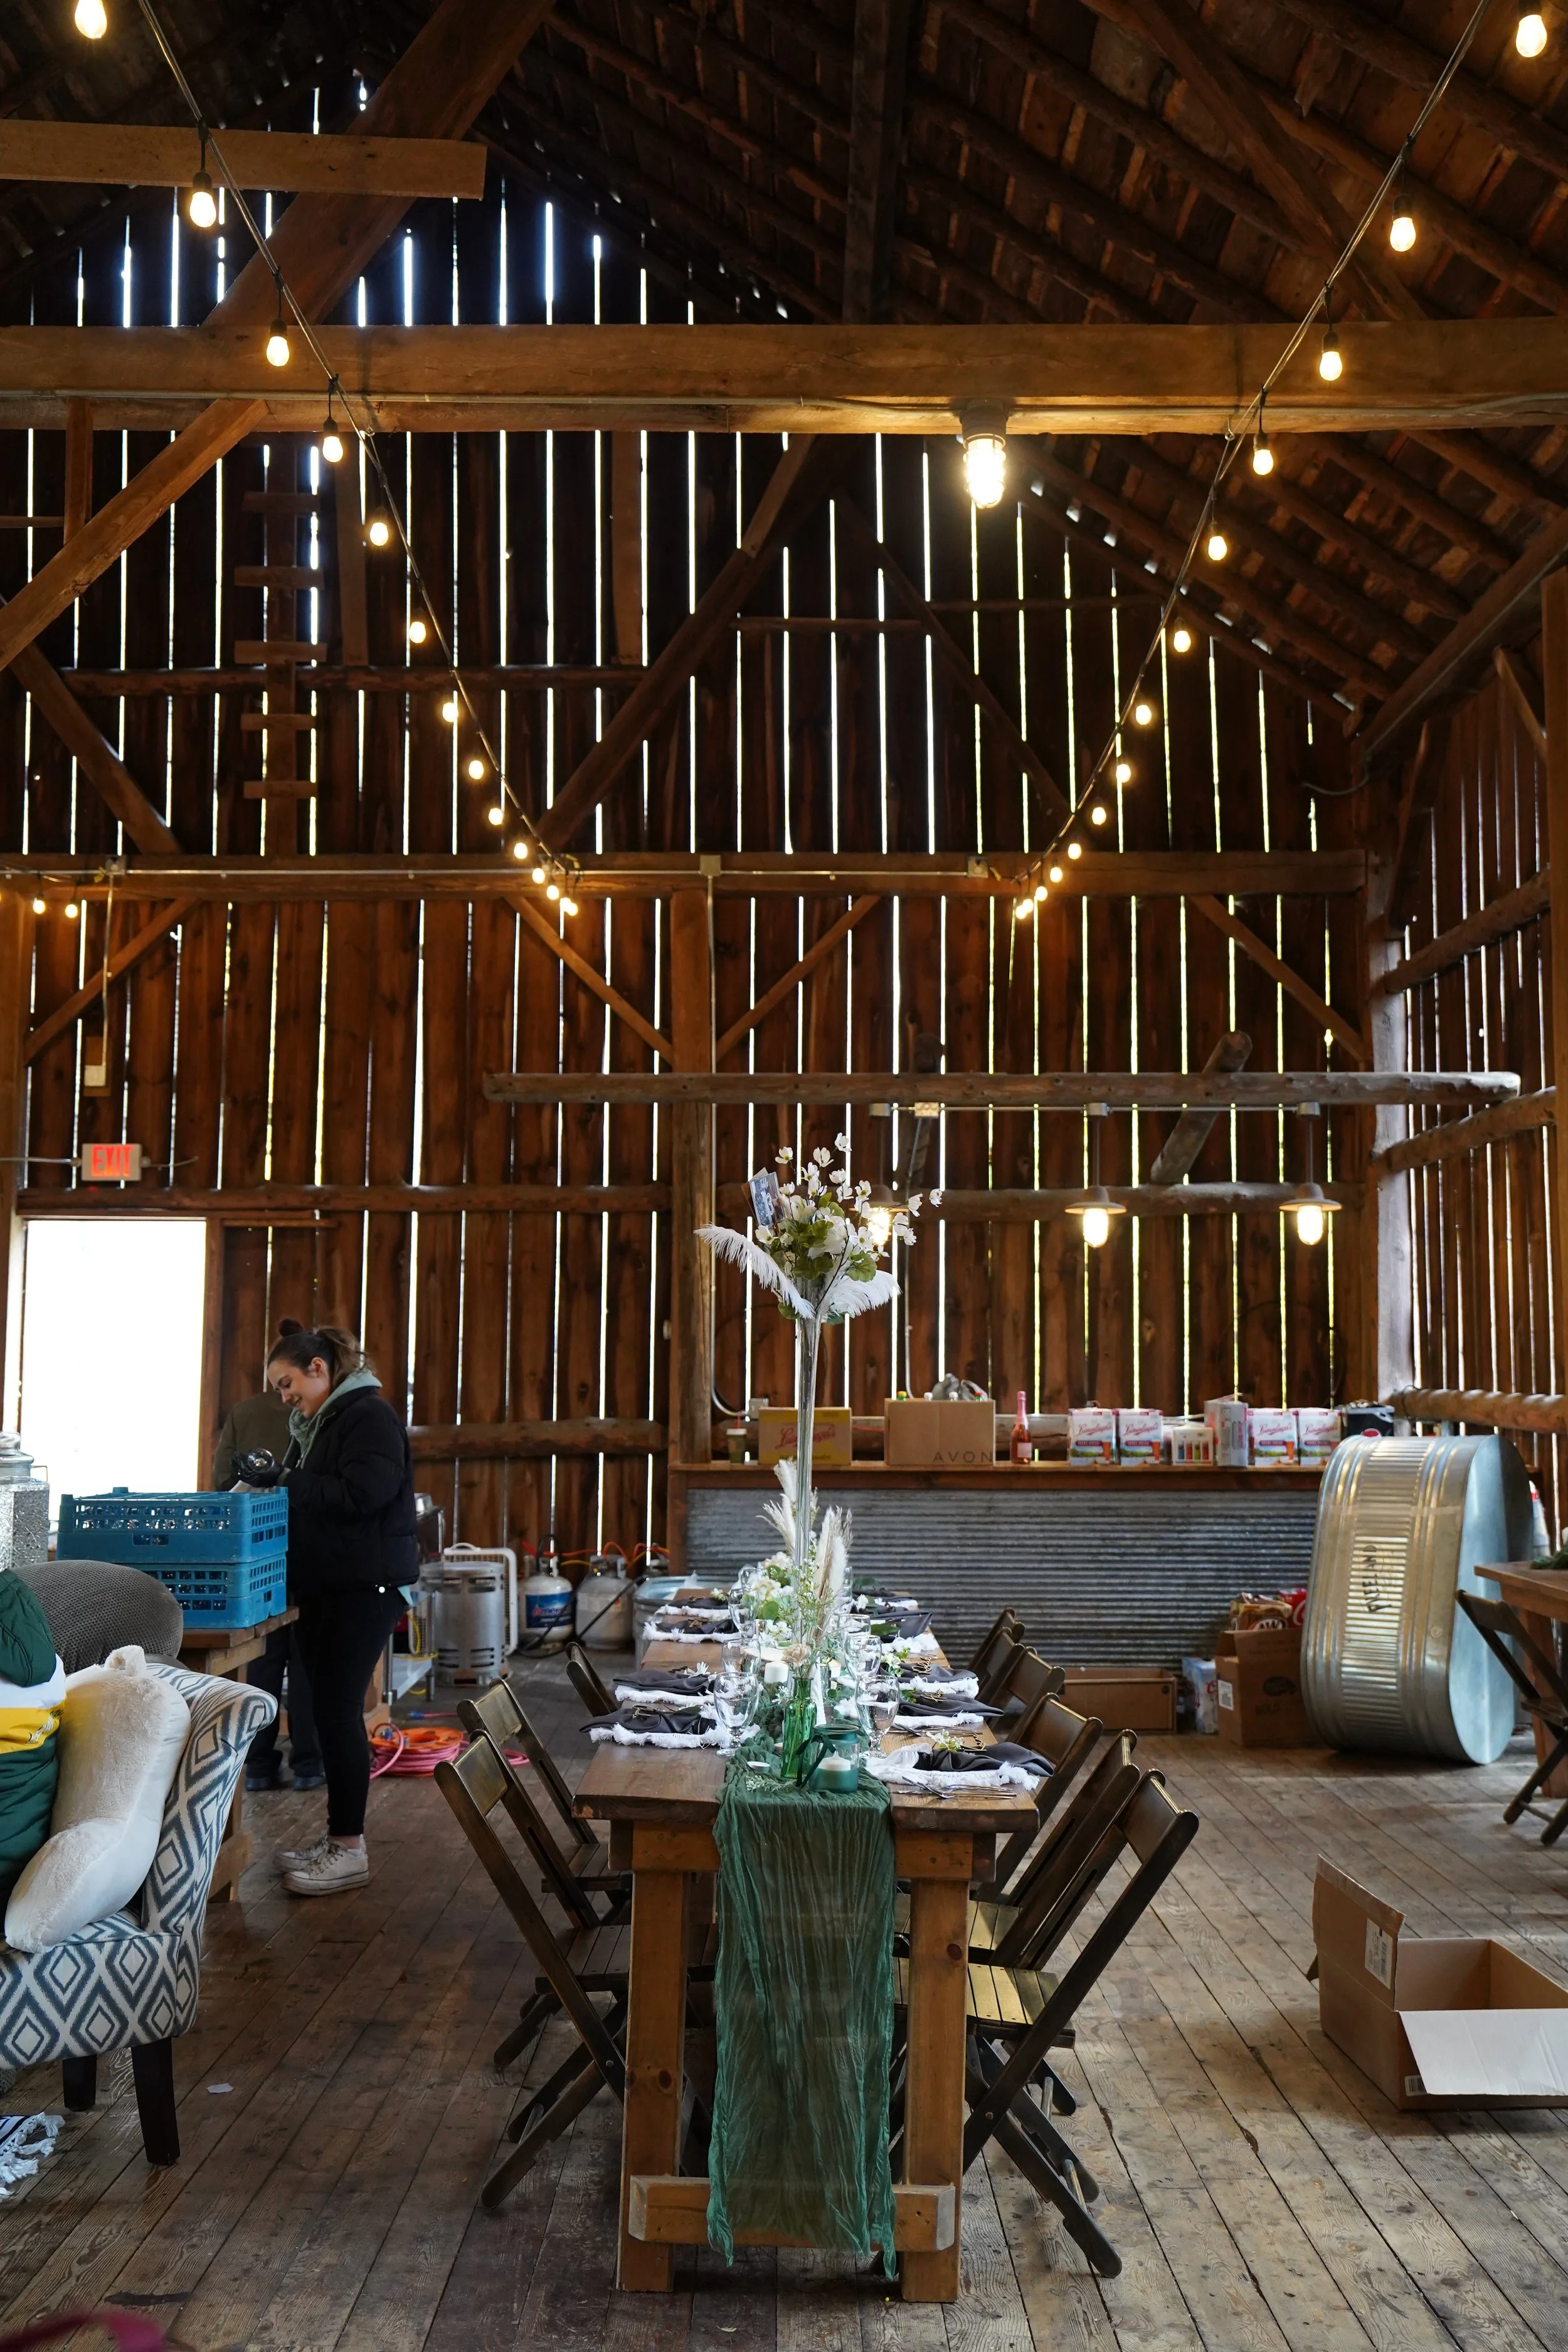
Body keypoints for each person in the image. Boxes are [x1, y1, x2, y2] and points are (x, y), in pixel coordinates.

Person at [264, 1320, 416, 1896]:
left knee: (337, 1712)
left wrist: (286, 1479)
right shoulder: (317, 1424)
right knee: (328, 1713)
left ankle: (349, 1848)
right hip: (330, 1586)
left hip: (364, 1586)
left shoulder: (368, 1417)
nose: (284, 1397)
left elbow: (362, 1496)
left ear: (319, 1369)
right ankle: (338, 1838)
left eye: (287, 1384)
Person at [213, 1379, 323, 1794]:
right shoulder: (323, 1412)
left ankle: (258, 1765)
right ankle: (310, 1764)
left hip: (259, 1547)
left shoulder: (245, 1411)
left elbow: (223, 1481)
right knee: (308, 1657)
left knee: (263, 1656)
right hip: (311, 1546)